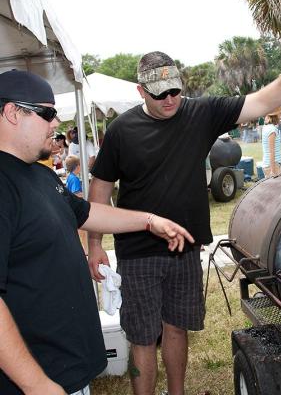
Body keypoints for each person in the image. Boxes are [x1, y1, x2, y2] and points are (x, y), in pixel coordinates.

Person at [88, 39, 281, 395]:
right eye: (158, 93)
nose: (169, 99)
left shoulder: (201, 113)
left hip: (185, 247)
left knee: (177, 327)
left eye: (174, 90)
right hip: (138, 250)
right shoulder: (122, 130)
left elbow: (262, 101)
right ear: (141, 90)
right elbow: (101, 188)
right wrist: (94, 244)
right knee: (141, 336)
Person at [0, 69, 194, 395]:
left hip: (67, 370)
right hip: (36, 380)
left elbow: (86, 213)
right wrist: (36, 385)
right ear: (11, 113)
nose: (56, 123)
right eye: (47, 113)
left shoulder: (39, 175)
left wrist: (149, 221)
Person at [261, 106, 281, 177]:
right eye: (280, 114)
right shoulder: (272, 130)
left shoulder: (266, 127)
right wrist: (273, 171)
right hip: (274, 165)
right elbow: (271, 152)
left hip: (269, 164)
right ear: (275, 116)